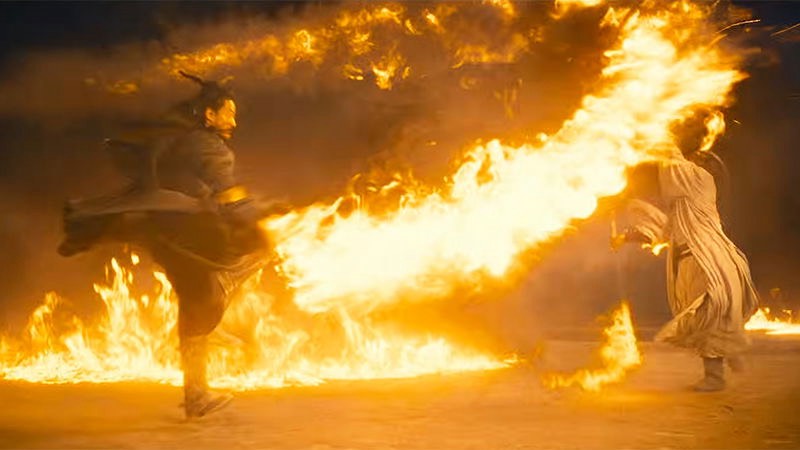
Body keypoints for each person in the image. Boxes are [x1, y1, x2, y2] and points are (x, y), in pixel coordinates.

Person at [58, 73, 286, 417]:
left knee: (197, 305)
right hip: (185, 233)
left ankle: (197, 392)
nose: (234, 122)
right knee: (241, 265)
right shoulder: (209, 146)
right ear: (209, 114)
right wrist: (259, 215)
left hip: (164, 231)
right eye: (228, 113)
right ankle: (202, 374)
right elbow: (228, 193)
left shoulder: (180, 140)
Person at [612, 144, 759, 392]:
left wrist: (657, 136)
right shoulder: (684, 203)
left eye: (698, 159)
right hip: (693, 260)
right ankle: (729, 349)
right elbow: (661, 231)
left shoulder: (700, 179)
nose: (692, 159)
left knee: (705, 314)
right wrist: (625, 237)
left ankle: (716, 376)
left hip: (705, 261)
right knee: (708, 316)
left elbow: (671, 160)